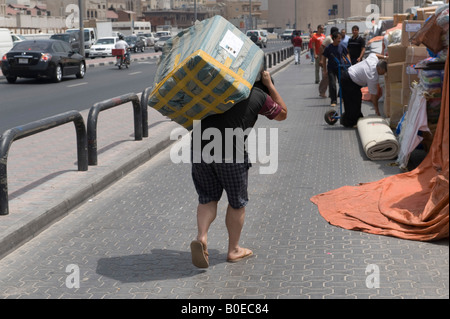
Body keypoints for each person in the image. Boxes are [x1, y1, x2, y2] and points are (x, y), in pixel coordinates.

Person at [190, 70, 288, 268]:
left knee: (207, 198)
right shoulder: (259, 95)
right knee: (237, 202)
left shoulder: (219, 88)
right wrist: (270, 85)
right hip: (231, 154)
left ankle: (202, 237)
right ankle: (234, 249)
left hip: (199, 149)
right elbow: (282, 114)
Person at [340, 53, 387, 127]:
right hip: (349, 80)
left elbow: (373, 54)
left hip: (351, 77)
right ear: (379, 69)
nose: (384, 74)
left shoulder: (373, 61)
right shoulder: (373, 76)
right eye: (383, 72)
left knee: (358, 98)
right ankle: (348, 122)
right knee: (351, 102)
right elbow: (373, 96)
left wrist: (385, 57)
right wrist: (377, 111)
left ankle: (358, 118)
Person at [322, 31, 351, 107]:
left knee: (342, 83)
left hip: (340, 67)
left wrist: (349, 64)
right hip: (331, 68)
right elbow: (324, 58)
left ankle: (342, 97)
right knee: (332, 84)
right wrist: (324, 70)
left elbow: (346, 54)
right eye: (338, 38)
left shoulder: (342, 46)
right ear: (334, 39)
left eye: (340, 38)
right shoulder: (328, 48)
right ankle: (333, 100)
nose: (340, 40)